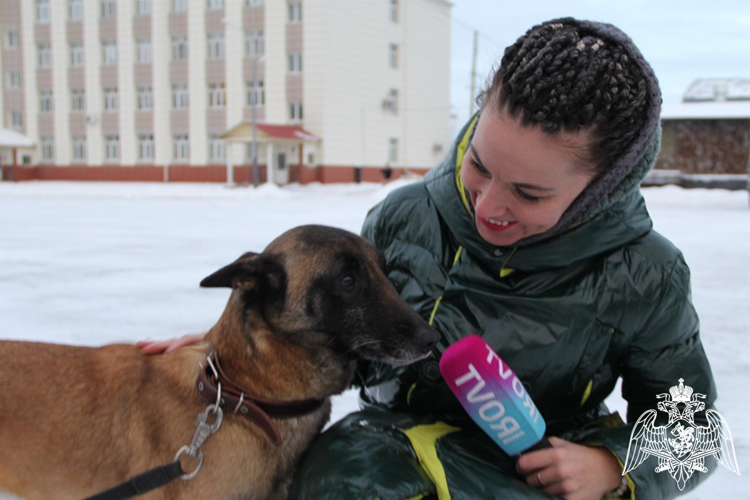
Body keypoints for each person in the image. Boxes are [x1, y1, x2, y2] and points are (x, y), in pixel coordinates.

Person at [141, 18, 717, 500]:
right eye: (481, 166)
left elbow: (692, 432)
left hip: (542, 474)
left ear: (600, 191)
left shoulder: (645, 273)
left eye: (530, 193)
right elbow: (350, 338)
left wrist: (613, 467)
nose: (488, 206)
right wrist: (242, 346)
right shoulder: (404, 218)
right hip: (392, 450)